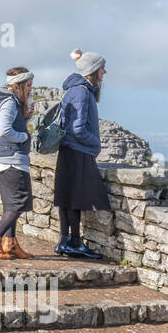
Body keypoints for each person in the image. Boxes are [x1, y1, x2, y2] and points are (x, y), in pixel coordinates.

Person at [53, 49, 109, 258]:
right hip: (78, 151)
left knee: (67, 198)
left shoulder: (77, 89)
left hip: (70, 151)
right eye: (101, 67)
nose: (104, 71)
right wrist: (95, 142)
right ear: (93, 70)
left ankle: (66, 241)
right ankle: (73, 243)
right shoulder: (82, 92)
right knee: (75, 199)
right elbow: (77, 128)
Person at [0, 68, 36, 260]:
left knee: (11, 204)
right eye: (28, 85)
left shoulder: (10, 100)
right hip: (12, 158)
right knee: (19, 203)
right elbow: (4, 130)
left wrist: (26, 117)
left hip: (5, 158)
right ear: (19, 85)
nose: (30, 89)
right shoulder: (8, 102)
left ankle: (10, 243)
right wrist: (23, 136)